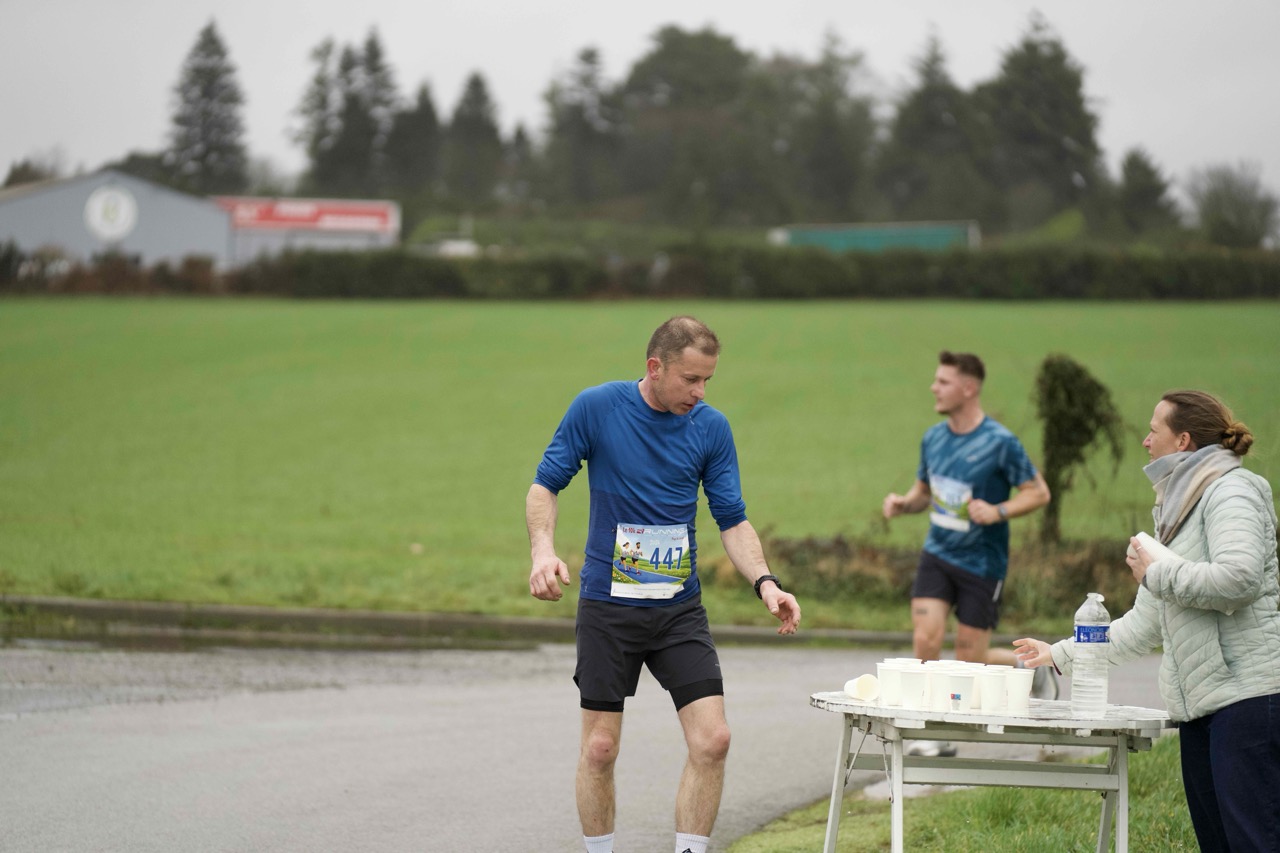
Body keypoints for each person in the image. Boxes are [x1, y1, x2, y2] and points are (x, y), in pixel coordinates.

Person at [526, 315, 802, 853]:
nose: (700, 393)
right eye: (690, 380)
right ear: (655, 368)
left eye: (708, 381)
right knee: (600, 749)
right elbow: (544, 486)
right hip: (608, 609)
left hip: (678, 612)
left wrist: (766, 583)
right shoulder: (598, 408)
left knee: (714, 740)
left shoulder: (711, 428)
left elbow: (732, 520)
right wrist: (543, 551)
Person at [1015, 390, 1280, 852]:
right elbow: (1144, 625)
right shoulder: (1179, 507)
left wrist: (1156, 574)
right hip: (1202, 709)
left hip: (1248, 702)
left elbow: (1239, 580)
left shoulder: (1232, 490)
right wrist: (1057, 654)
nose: (1145, 440)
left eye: (1153, 430)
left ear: (1182, 440)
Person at [882, 350, 1055, 736]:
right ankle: (927, 733)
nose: (934, 388)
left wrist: (998, 511)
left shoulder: (1000, 442)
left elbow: (1038, 493)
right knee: (925, 640)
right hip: (938, 554)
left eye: (943, 382)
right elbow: (924, 493)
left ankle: (1027, 668)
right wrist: (904, 504)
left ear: (969, 388)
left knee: (969, 659)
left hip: (982, 562)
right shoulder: (933, 438)